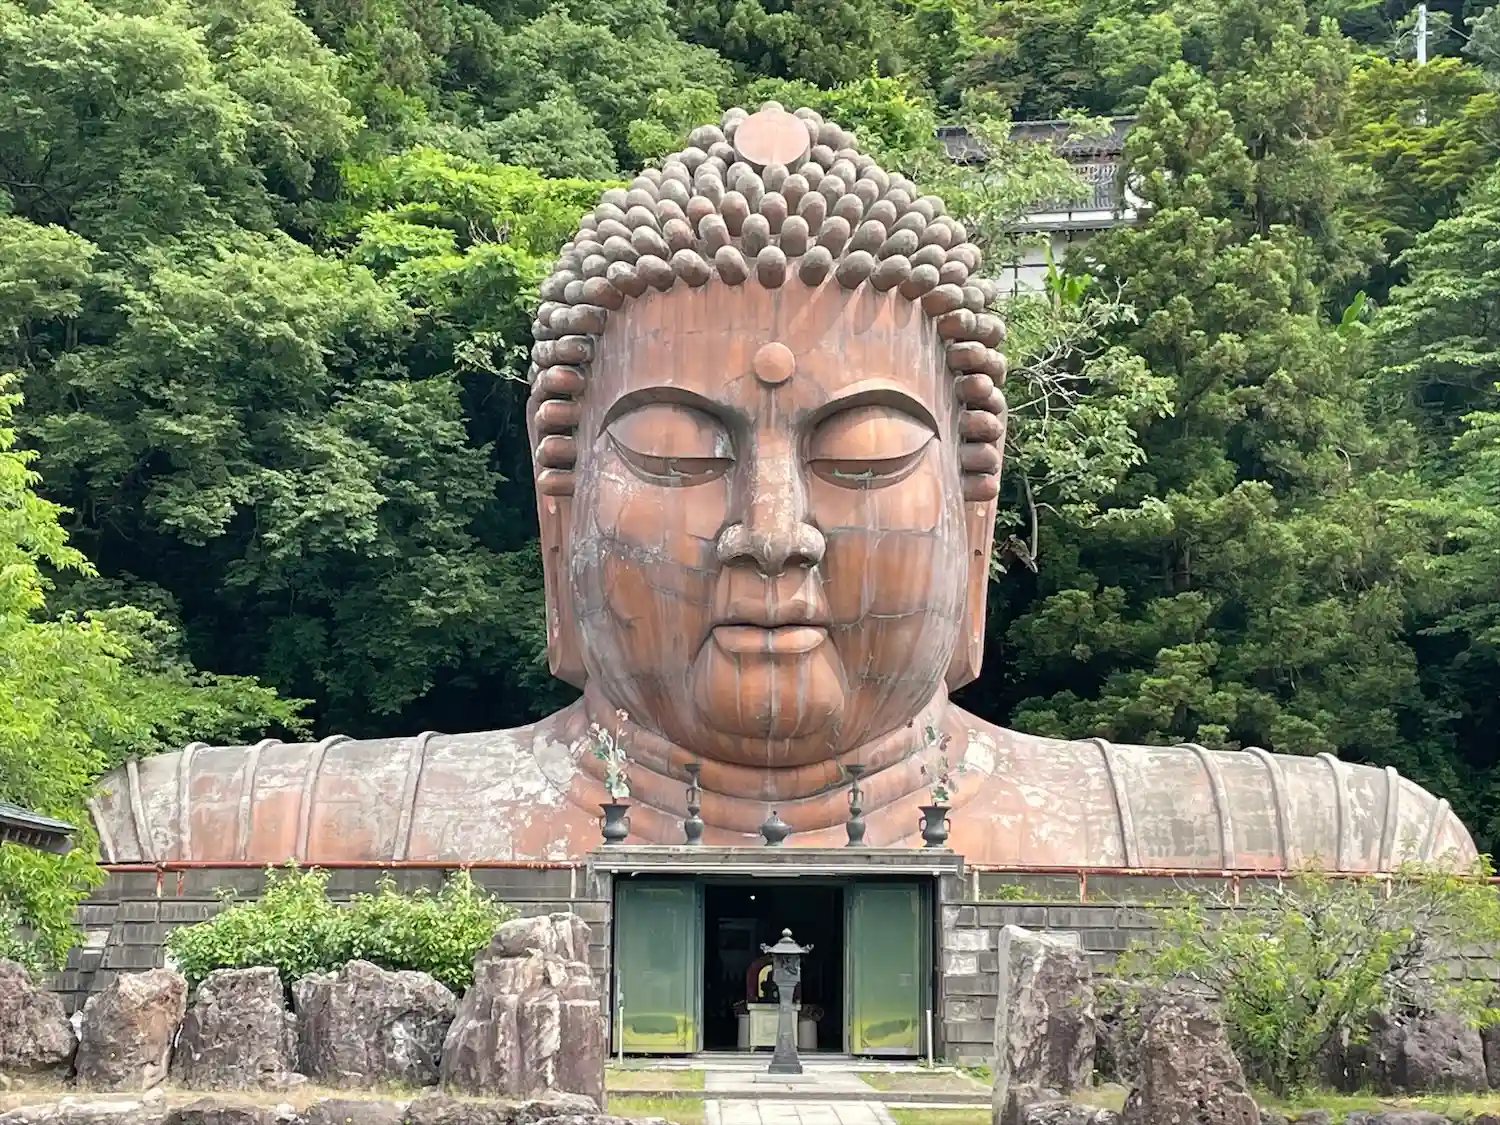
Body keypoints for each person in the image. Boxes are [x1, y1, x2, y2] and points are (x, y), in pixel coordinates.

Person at [88, 106, 1476, 872]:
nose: (771, 533)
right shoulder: (207, 828)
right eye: (675, 453)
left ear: (975, 526)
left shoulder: (1343, 845)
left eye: (862, 454)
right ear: (558, 523)